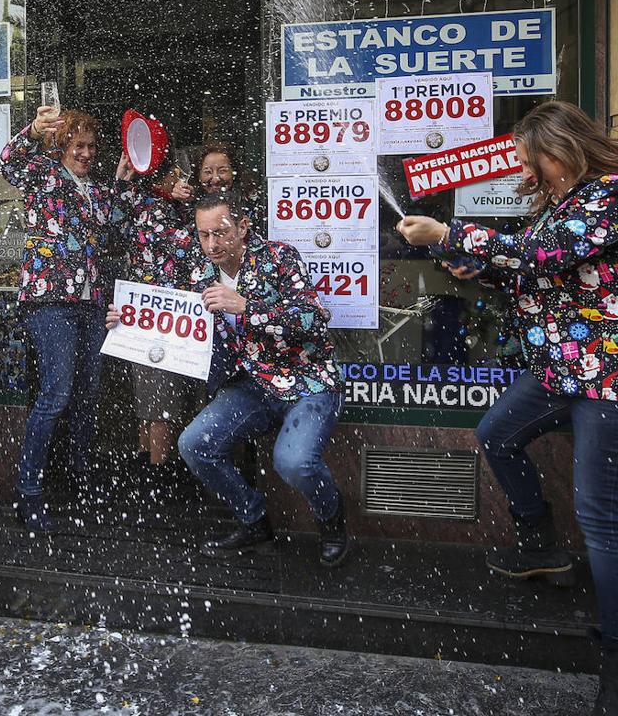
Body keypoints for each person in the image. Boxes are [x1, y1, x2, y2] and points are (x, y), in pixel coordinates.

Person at [396, 100, 618, 715]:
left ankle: (614, 658)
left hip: (605, 376)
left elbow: (547, 258)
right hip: (555, 371)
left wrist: (447, 233)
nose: (529, 170)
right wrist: (478, 269)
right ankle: (539, 543)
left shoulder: (609, 194)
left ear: (563, 146)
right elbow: (533, 274)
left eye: (533, 158)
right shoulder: (559, 202)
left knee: (601, 518)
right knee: (496, 433)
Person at [148, 189, 351, 567]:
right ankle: (254, 520)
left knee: (293, 462)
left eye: (220, 233)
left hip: (309, 381)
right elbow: (162, 312)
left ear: (242, 227)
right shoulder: (199, 271)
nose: (212, 244)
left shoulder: (279, 257)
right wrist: (126, 321)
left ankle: (332, 521)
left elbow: (314, 319)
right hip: (253, 384)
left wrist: (247, 308)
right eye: (203, 234)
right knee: (194, 444)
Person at [0, 105, 126, 532]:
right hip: (49, 301)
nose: (86, 153)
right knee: (56, 393)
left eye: (91, 146)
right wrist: (33, 130)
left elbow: (115, 232)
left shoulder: (97, 191)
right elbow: (8, 162)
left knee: (87, 394)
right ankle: (28, 493)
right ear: (63, 147)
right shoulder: (43, 174)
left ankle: (81, 476)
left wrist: (125, 181)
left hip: (91, 305)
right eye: (78, 145)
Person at [114, 159, 197, 482]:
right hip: (160, 314)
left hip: (150, 312)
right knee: (160, 392)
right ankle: (159, 473)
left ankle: (147, 460)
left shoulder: (145, 201)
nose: (182, 182)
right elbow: (186, 247)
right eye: (177, 175)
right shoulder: (152, 206)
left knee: (151, 390)